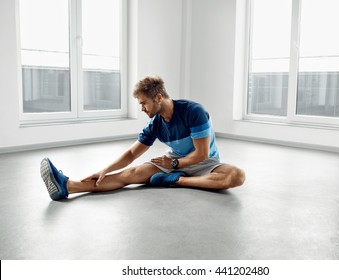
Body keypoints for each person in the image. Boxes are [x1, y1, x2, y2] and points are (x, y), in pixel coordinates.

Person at [40, 76, 245, 201]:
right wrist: (105, 170)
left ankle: (179, 181)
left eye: (143, 103)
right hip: (173, 162)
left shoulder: (193, 111)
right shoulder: (155, 123)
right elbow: (131, 154)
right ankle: (68, 186)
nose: (142, 108)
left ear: (158, 97)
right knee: (130, 174)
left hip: (204, 162)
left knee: (236, 176)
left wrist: (175, 164)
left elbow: (202, 154)